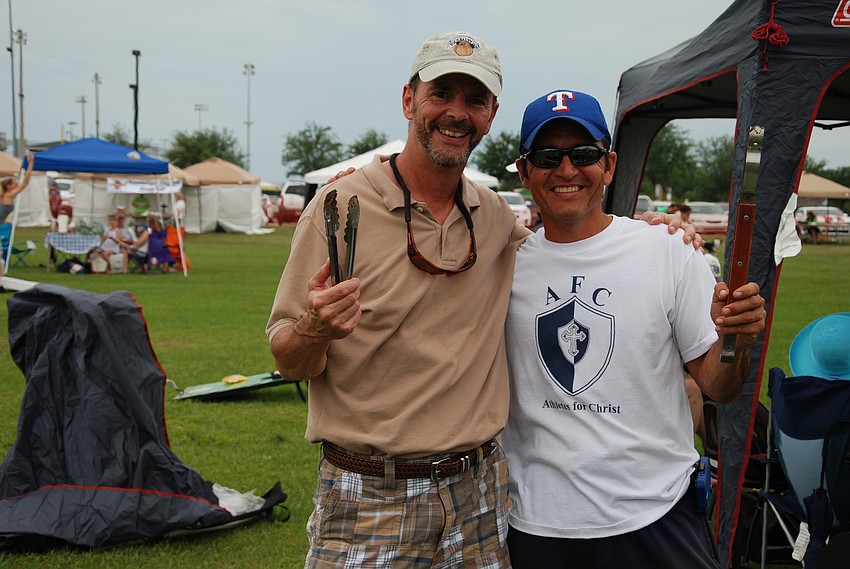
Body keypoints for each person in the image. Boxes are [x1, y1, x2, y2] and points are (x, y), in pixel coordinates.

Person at [267, 34, 699, 567]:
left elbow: (572, 242)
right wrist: (314, 328)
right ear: (408, 99)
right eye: (440, 93)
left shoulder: (494, 219)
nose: (456, 113)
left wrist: (654, 230)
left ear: (491, 114)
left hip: (480, 492)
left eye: (474, 100)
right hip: (371, 492)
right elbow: (288, 361)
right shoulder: (341, 208)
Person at [500, 88, 767, 569]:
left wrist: (735, 344)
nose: (566, 170)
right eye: (547, 156)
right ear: (523, 171)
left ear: (609, 164)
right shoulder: (502, 266)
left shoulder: (666, 250)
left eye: (584, 154)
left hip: (657, 516)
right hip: (537, 523)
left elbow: (718, 386)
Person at [0, 152, 34, 224]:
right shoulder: (9, 195)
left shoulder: (3, 194)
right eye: (15, 184)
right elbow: (25, 182)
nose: (17, 185)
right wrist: (30, 164)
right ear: (8, 186)